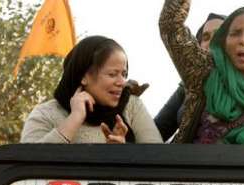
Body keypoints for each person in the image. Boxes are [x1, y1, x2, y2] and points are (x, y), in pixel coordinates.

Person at [159, 0, 244, 144]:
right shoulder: (204, 71)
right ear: (223, 44)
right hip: (191, 164)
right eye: (235, 33)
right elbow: (171, 26)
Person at [21, 36, 162, 144]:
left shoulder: (132, 107)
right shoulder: (46, 114)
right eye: (112, 74)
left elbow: (161, 162)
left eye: (124, 74)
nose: (121, 82)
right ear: (84, 76)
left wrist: (122, 154)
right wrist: (74, 118)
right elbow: (25, 166)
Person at [154, 13, 226, 141]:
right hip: (182, 158)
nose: (212, 42)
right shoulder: (189, 84)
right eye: (206, 37)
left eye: (220, 35)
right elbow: (157, 132)